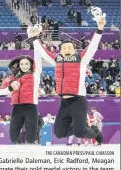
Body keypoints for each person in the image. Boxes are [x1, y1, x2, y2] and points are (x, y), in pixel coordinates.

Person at [33, 12, 105, 144]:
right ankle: (83, 128)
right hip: (64, 103)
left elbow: (92, 47)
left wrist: (99, 30)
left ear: (74, 49)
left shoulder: (81, 59)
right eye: (64, 47)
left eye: (69, 47)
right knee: (59, 133)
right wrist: (34, 38)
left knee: (80, 132)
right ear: (60, 50)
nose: (66, 49)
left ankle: (95, 132)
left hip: (78, 100)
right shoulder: (57, 60)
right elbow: (43, 52)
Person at [0, 38, 43, 144]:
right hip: (16, 108)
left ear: (31, 65)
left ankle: (38, 125)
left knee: (31, 139)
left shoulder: (35, 74)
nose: (24, 66)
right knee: (13, 138)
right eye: (22, 64)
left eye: (27, 63)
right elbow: (3, 86)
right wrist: (10, 84)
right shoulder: (14, 76)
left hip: (30, 108)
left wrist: (35, 40)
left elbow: (38, 57)